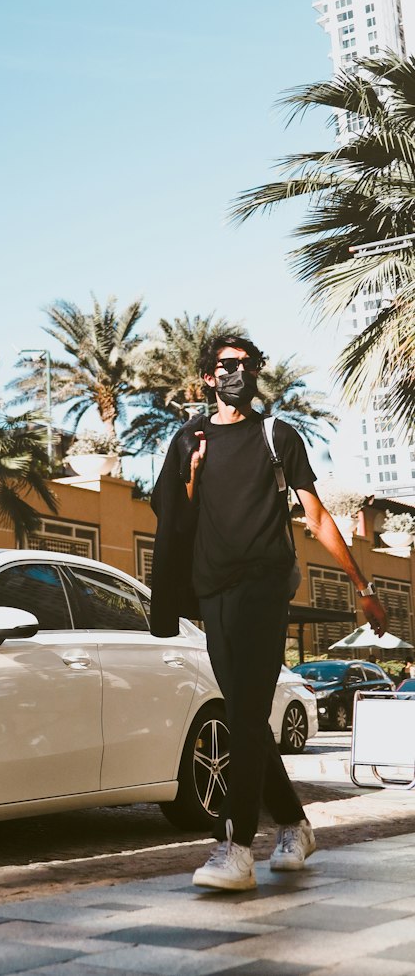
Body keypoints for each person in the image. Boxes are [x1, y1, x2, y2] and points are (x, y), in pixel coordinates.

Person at [150, 334, 387, 892]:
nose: (237, 373)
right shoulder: (189, 438)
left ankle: (233, 845)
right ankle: (295, 824)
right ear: (208, 376)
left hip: (264, 586)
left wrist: (362, 585)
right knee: (247, 712)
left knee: (244, 711)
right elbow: (173, 517)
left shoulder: (276, 435)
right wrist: (193, 469)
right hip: (213, 592)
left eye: (246, 364)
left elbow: (317, 515)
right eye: (225, 366)